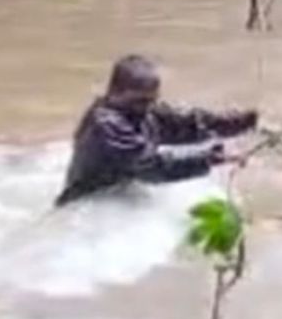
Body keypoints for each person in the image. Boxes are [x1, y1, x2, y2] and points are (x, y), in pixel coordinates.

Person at [54, 55, 258, 207]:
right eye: (141, 100)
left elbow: (186, 124)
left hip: (117, 195)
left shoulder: (140, 111)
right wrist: (210, 159)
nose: (148, 106)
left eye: (152, 99)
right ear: (115, 92)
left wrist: (237, 123)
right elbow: (151, 168)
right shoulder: (106, 124)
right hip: (85, 206)